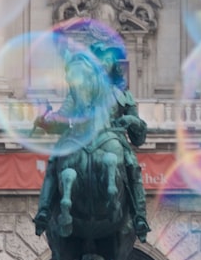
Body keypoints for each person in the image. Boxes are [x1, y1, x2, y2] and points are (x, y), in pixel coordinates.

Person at [32, 40, 149, 242]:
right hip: (78, 136)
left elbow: (139, 138)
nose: (104, 64)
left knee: (131, 163)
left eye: (109, 61)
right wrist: (47, 122)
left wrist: (131, 120)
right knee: (54, 162)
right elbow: (63, 117)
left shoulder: (123, 95)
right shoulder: (79, 91)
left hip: (112, 136)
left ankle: (140, 216)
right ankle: (44, 211)